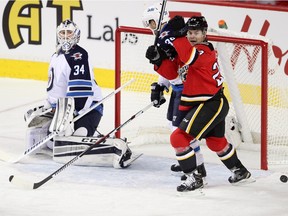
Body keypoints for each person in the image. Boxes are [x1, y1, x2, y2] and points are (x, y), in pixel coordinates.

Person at [145, 15, 252, 192]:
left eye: (196, 32)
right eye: (189, 33)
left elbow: (188, 56)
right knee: (216, 142)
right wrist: (158, 60)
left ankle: (195, 177)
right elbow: (173, 74)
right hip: (204, 104)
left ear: (204, 34)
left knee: (178, 137)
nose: (192, 36)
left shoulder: (204, 51)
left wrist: (178, 36)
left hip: (210, 103)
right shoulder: (188, 51)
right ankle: (239, 171)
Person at [24, 19, 134, 168]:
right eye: (62, 33)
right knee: (44, 140)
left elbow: (81, 94)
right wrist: (47, 106)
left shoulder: (79, 56)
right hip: (64, 108)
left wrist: (73, 115)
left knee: (75, 138)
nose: (65, 36)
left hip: (88, 109)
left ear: (76, 35)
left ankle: (114, 147)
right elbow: (54, 88)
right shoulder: (55, 56)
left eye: (69, 32)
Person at [142, 3, 206, 180]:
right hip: (178, 87)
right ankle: (190, 160)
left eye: (151, 22)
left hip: (186, 88)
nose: (150, 27)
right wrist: (161, 85)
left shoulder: (167, 35)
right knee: (174, 126)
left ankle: (198, 165)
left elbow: (180, 63)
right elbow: (170, 65)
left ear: (159, 18)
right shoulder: (164, 35)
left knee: (180, 130)